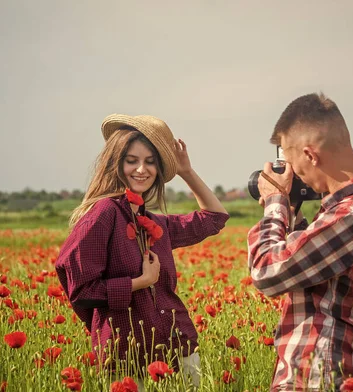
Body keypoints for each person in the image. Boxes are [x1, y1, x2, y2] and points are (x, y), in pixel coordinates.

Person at [55, 114, 228, 389]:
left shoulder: (155, 223)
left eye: (150, 162)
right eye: (131, 160)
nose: (141, 170)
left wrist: (186, 172)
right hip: (127, 358)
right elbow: (81, 289)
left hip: (177, 348)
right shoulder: (103, 214)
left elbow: (215, 217)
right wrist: (140, 283)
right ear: (116, 163)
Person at [247, 93, 353, 392]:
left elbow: (266, 272)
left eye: (296, 168)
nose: (298, 178)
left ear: (311, 155)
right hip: (344, 367)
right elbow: (316, 267)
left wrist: (275, 203)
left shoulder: (351, 214)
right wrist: (293, 214)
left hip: (321, 372)